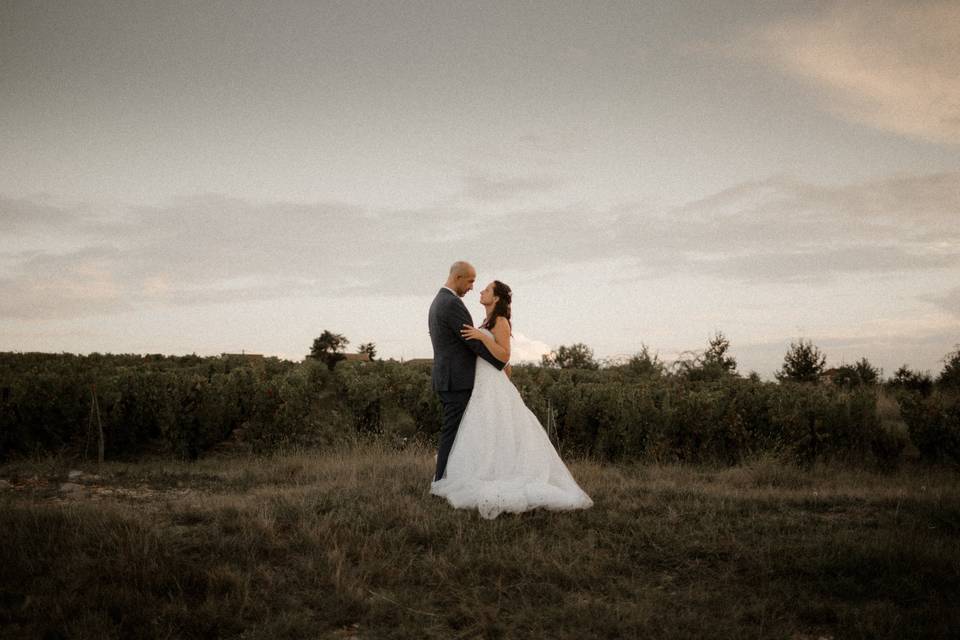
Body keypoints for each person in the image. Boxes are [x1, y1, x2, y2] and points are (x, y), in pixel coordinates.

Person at [428, 270, 594, 519]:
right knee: (484, 431)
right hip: (482, 383)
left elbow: (504, 355)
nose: (480, 290)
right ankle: (482, 470)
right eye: (476, 285)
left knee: (499, 427)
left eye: (486, 289)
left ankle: (499, 476)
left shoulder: (500, 322)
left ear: (496, 298)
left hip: (493, 384)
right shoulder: (485, 322)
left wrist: (480, 339)